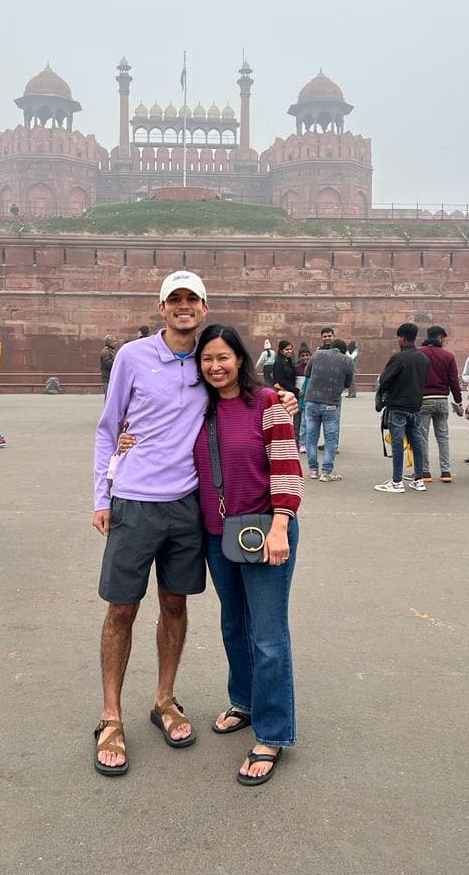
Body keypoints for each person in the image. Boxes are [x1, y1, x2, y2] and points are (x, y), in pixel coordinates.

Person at [91, 270, 296, 776]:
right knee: (123, 610)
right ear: (162, 307)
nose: (183, 306)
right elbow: (109, 426)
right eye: (174, 299)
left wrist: (285, 399)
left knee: (176, 605)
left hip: (191, 508)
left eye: (192, 299)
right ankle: (111, 717)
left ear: (204, 307)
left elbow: (260, 412)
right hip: (135, 503)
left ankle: (166, 700)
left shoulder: (221, 380)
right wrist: (102, 494)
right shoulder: (133, 357)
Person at [193, 324, 303, 785]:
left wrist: (281, 524)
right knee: (234, 624)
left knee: (268, 635)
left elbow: (286, 466)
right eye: (206, 359)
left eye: (223, 357)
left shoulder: (267, 405)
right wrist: (125, 441)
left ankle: (274, 731)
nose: (215, 367)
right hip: (218, 535)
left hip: (265, 532)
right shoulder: (195, 407)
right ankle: (245, 699)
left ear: (240, 359)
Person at [374, 323, 430, 493]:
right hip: (415, 406)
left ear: (402, 338)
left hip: (398, 406)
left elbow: (384, 381)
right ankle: (419, 479)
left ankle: (397, 481)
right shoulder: (424, 359)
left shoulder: (398, 358)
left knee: (397, 443)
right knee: (417, 443)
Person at [416, 326, 463, 483]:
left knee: (422, 436)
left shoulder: (419, 353)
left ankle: (425, 472)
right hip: (442, 398)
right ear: (440, 337)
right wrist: (458, 401)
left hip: (423, 399)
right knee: (443, 436)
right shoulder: (447, 355)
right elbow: (454, 381)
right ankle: (445, 471)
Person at [303, 338, 354, 481]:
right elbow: (348, 383)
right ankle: (327, 472)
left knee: (311, 438)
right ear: (343, 350)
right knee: (330, 438)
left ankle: (313, 470)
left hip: (311, 401)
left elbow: (307, 373)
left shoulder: (318, 354)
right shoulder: (347, 360)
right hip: (331, 403)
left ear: (331, 347)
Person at [294, 343, 311, 452]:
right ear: (299, 357)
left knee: (306, 422)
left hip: (308, 398)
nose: (305, 357)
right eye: (303, 355)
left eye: (307, 355)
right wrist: (296, 392)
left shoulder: (312, 368)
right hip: (297, 397)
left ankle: (305, 442)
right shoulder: (296, 369)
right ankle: (296, 441)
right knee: (296, 421)